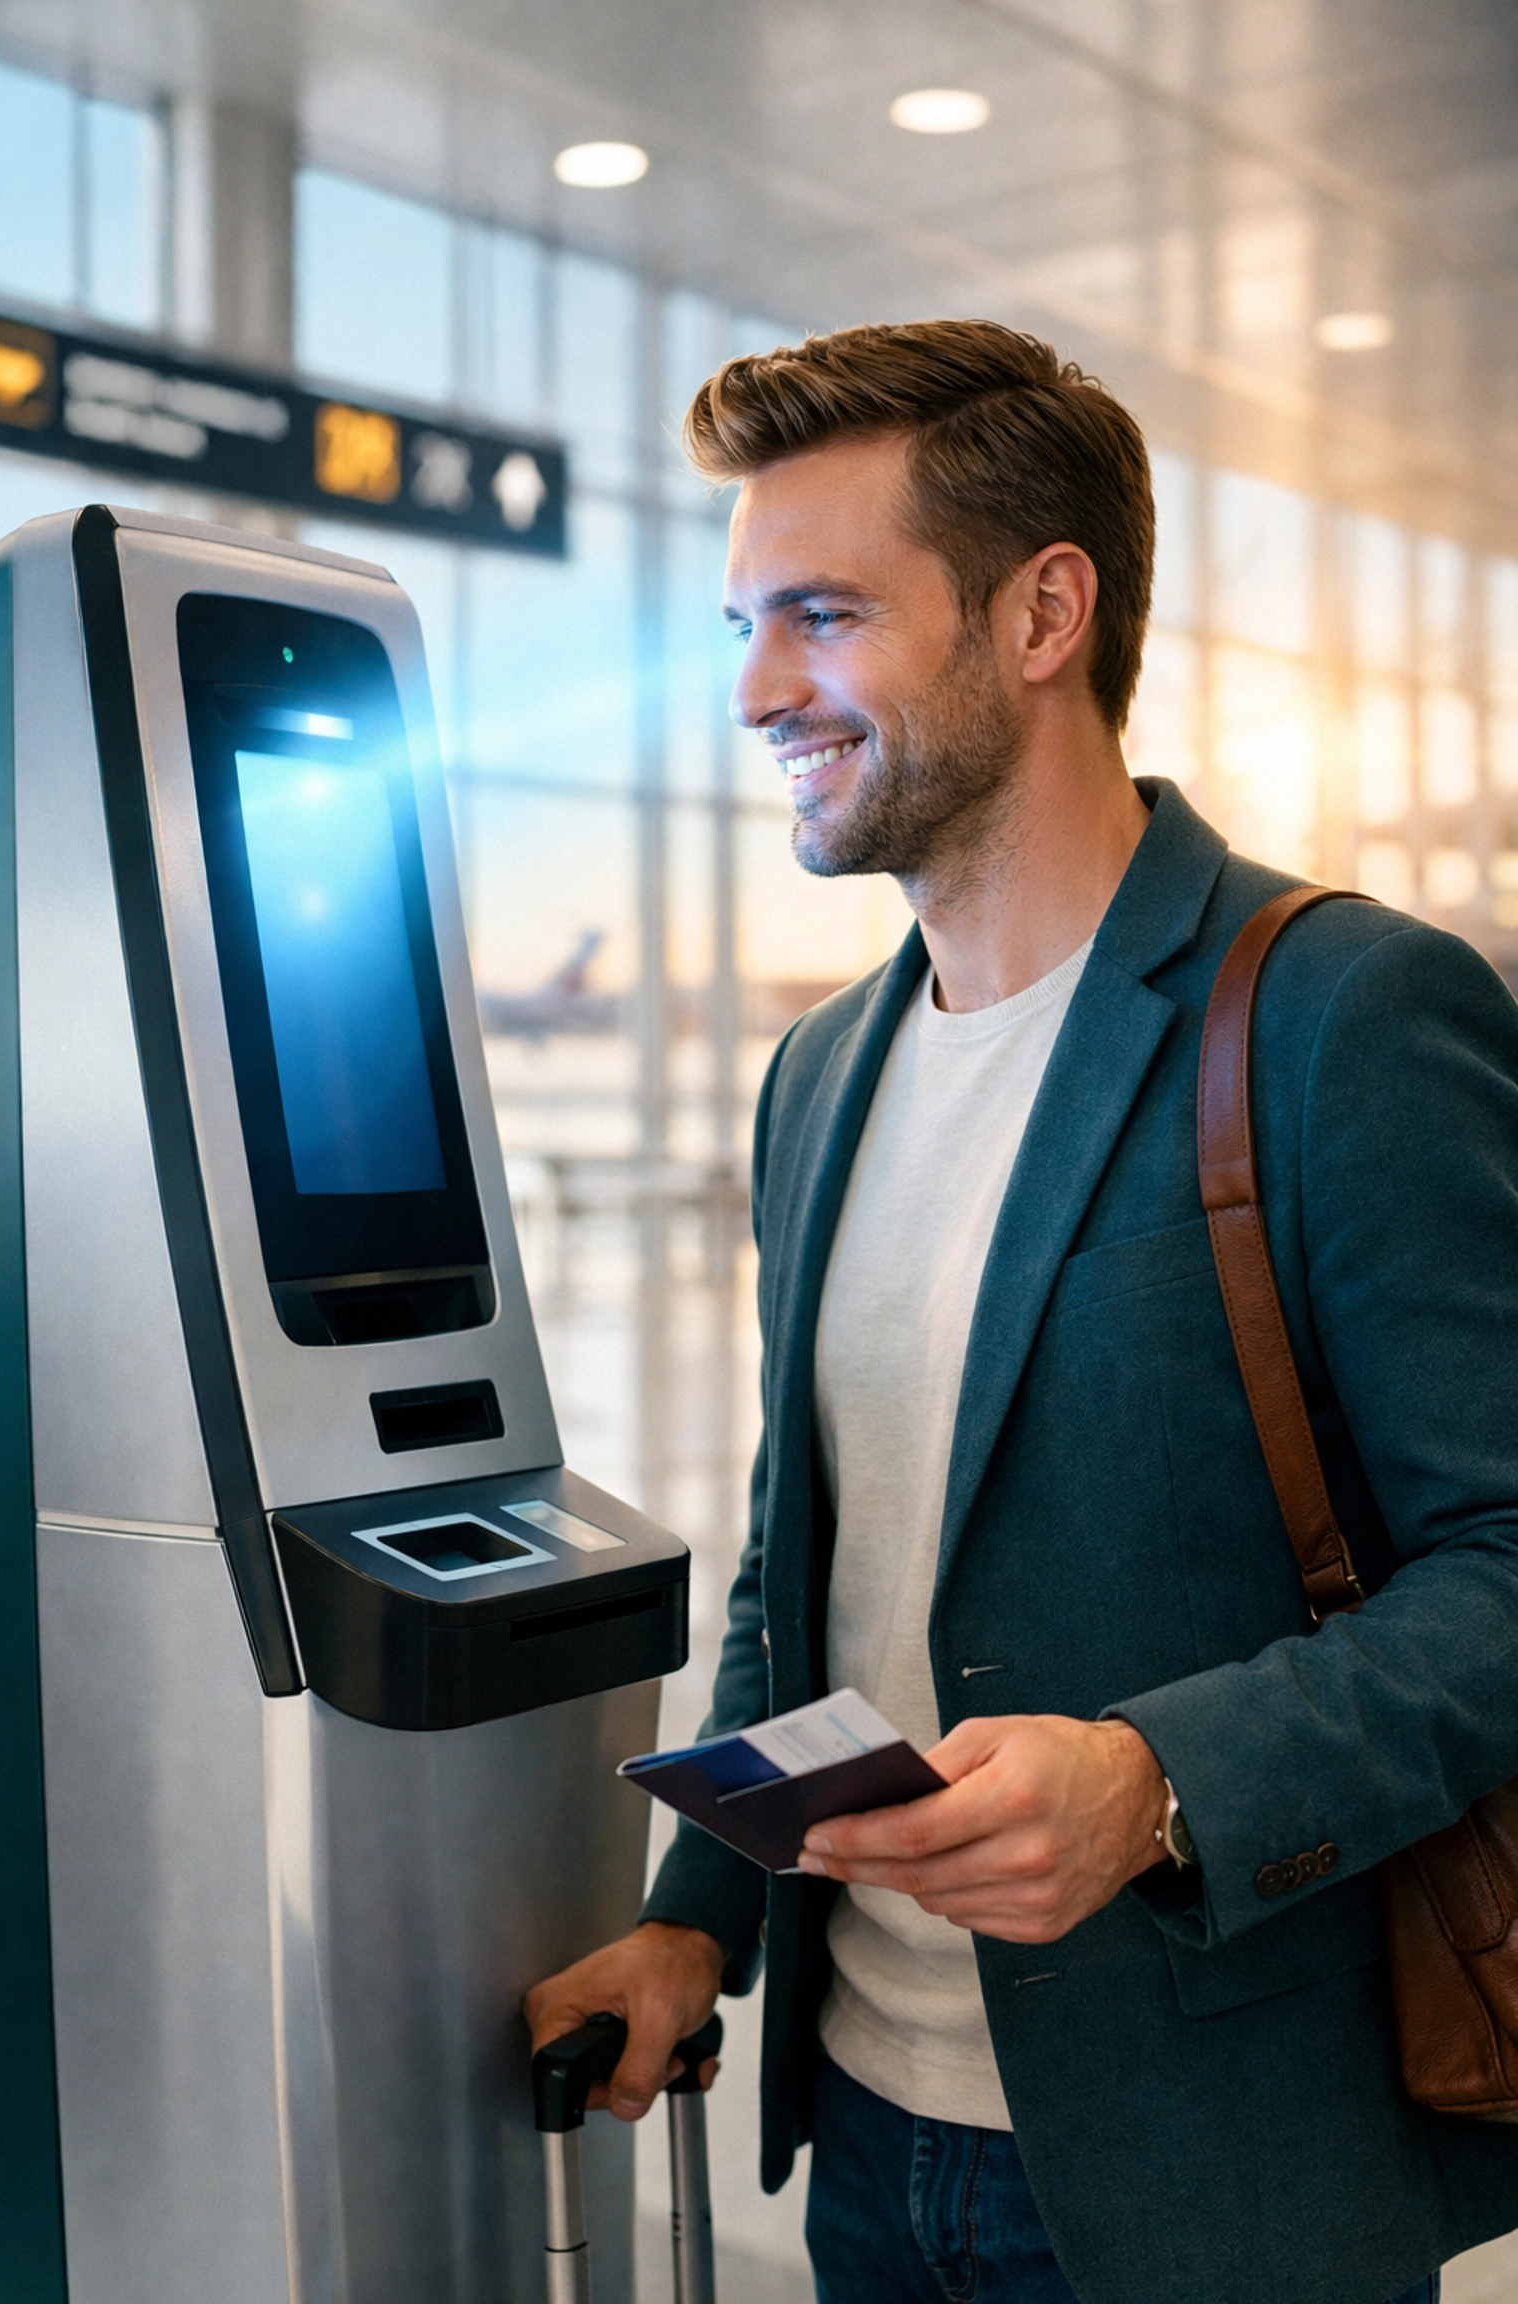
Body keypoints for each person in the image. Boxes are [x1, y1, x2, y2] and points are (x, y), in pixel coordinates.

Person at [524, 320, 1518, 2304]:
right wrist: (694, 1919)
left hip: (1215, 2169)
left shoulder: (1338, 1016)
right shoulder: (821, 1076)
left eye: (820, 615)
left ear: (1043, 610)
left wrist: (1164, 1781)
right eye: (745, 624)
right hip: (872, 2147)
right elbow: (805, 1575)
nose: (756, 690)